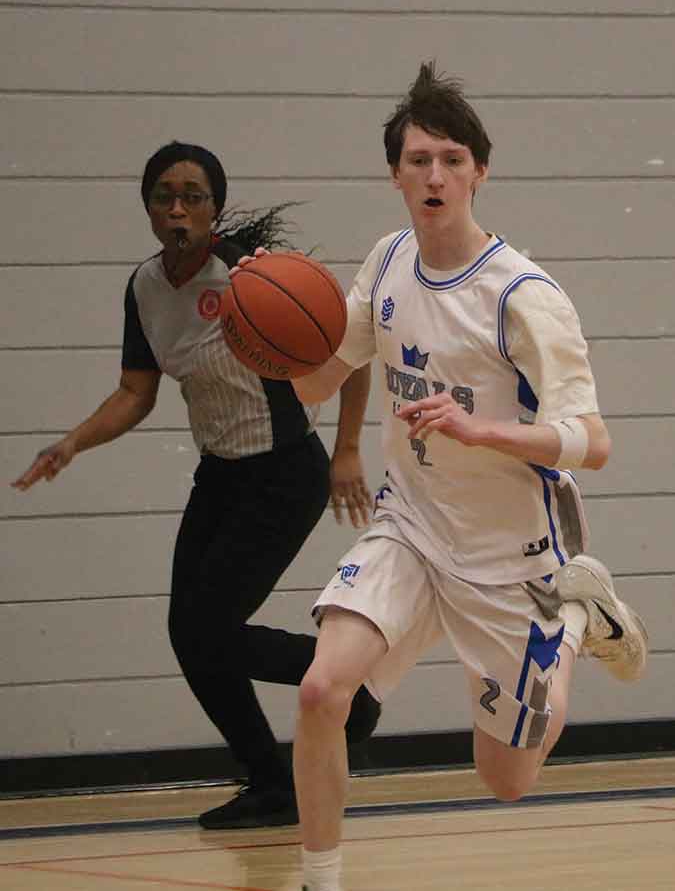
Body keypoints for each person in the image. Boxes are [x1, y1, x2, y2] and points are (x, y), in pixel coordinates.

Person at [280, 63, 649, 891]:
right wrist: (259, 323)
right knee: (318, 691)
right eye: (417, 160)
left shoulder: (522, 296)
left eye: (451, 158)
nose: (434, 175)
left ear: (480, 169)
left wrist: (481, 427)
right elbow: (312, 381)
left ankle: (574, 617)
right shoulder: (385, 262)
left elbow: (592, 443)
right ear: (395, 174)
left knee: (503, 781)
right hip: (409, 523)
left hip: (510, 556)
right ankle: (318, 878)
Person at [11, 141, 381, 831]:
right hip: (219, 474)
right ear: (148, 206)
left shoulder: (254, 274)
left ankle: (346, 690)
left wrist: (348, 451)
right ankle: (271, 782)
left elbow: (352, 351)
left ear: (214, 207)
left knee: (208, 628)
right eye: (164, 196)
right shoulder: (145, 287)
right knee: (190, 634)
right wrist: (72, 443)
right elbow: (134, 393)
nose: (177, 209)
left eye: (193, 196)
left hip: (283, 472)